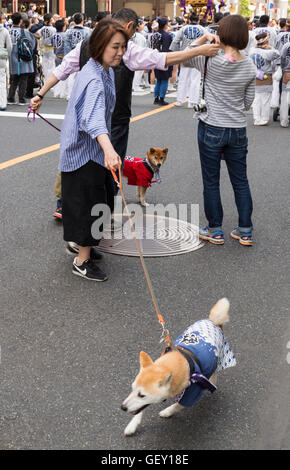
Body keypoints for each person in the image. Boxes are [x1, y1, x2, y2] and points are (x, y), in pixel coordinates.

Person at [30, 8, 219, 223]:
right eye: (118, 46)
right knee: (107, 170)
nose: (120, 51)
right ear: (129, 27)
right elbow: (162, 58)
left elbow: (61, 70)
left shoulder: (88, 44)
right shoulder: (124, 50)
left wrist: (40, 93)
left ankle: (67, 205)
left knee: (76, 163)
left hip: (83, 121)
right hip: (112, 119)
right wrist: (199, 50)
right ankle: (98, 216)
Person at [60, 18, 128, 282]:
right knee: (89, 206)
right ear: (99, 45)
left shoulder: (100, 68)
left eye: (123, 47)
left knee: (98, 203)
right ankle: (81, 259)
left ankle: (84, 246)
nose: (120, 52)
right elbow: (92, 119)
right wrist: (110, 150)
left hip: (90, 150)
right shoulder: (95, 79)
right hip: (84, 153)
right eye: (115, 47)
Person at [185, 15, 256, 246]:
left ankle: (215, 229)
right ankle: (245, 230)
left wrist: (205, 37)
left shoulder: (209, 60)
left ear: (221, 34)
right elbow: (248, 101)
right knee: (241, 181)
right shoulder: (248, 65)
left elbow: (186, 55)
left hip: (211, 125)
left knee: (211, 180)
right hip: (237, 129)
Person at [170, 12, 205, 108]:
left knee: (183, 78)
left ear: (189, 20)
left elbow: (175, 41)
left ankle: (179, 100)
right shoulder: (203, 29)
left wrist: (176, 54)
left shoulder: (183, 28)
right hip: (198, 55)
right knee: (195, 80)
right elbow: (208, 41)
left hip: (185, 55)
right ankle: (192, 102)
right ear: (198, 21)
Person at [250, 32, 280, 126]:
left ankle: (256, 119)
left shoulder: (251, 50)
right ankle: (264, 118)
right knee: (265, 100)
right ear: (266, 41)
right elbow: (278, 54)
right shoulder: (268, 52)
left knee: (256, 99)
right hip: (266, 77)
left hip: (255, 76)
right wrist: (271, 48)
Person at [7, 12, 35, 106]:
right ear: (20, 21)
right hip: (23, 57)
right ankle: (21, 99)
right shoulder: (25, 32)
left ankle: (10, 98)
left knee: (14, 79)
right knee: (23, 78)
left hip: (11, 57)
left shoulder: (8, 31)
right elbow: (32, 44)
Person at [152, 17, 173, 106]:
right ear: (165, 25)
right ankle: (162, 98)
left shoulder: (154, 34)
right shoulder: (167, 36)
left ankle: (156, 98)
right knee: (164, 79)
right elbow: (168, 49)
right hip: (164, 58)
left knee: (158, 79)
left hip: (154, 58)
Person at [38, 13, 56, 80]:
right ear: (51, 19)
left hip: (44, 49)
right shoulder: (54, 29)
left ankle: (46, 80)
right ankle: (50, 81)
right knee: (51, 67)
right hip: (51, 49)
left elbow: (38, 35)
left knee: (45, 66)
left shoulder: (42, 29)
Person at [0, 16, 12, 110]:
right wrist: (7, 55)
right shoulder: (4, 31)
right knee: (2, 81)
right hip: (1, 58)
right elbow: (9, 46)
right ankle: (2, 103)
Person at [279, 38, 290, 127]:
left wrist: (283, 69)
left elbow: (282, 58)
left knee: (285, 97)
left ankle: (284, 121)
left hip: (287, 72)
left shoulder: (286, 45)